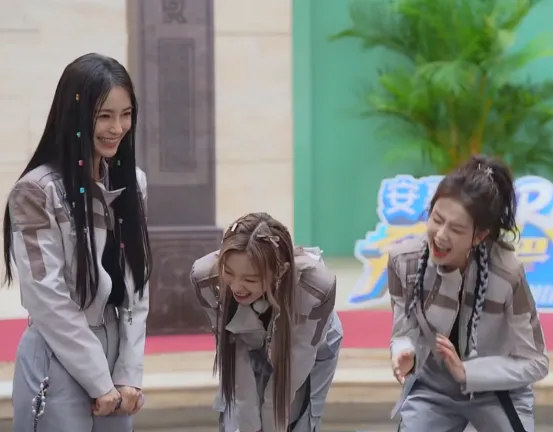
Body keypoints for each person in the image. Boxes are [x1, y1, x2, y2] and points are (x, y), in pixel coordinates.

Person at [3, 53, 152, 432]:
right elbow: (47, 299)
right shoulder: (37, 192)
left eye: (126, 114)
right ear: (75, 117)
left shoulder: (133, 183)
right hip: (58, 354)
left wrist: (129, 373)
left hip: (116, 357)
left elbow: (137, 285)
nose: (117, 128)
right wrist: (99, 380)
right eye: (104, 116)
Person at [388, 154, 549, 431]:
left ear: (479, 236)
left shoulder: (507, 274)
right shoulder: (405, 261)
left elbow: (535, 362)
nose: (440, 235)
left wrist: (468, 372)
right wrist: (404, 350)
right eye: (437, 219)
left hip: (497, 390)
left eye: (456, 229)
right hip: (434, 388)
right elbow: (404, 330)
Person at [190, 212, 343, 432]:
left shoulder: (314, 288)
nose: (236, 287)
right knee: (238, 418)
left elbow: (293, 366)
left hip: (308, 349)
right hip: (249, 340)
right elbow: (235, 357)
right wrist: (249, 425)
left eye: (250, 279)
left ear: (281, 271)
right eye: (229, 273)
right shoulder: (207, 278)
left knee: (296, 420)